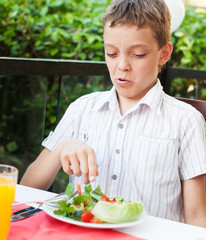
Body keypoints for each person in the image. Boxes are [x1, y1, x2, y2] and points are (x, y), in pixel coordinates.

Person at [20, 0, 206, 227]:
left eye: (138, 54)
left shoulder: (185, 120)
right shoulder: (82, 108)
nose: (122, 66)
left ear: (164, 53)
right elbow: (28, 187)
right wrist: (62, 148)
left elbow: (197, 218)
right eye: (112, 53)